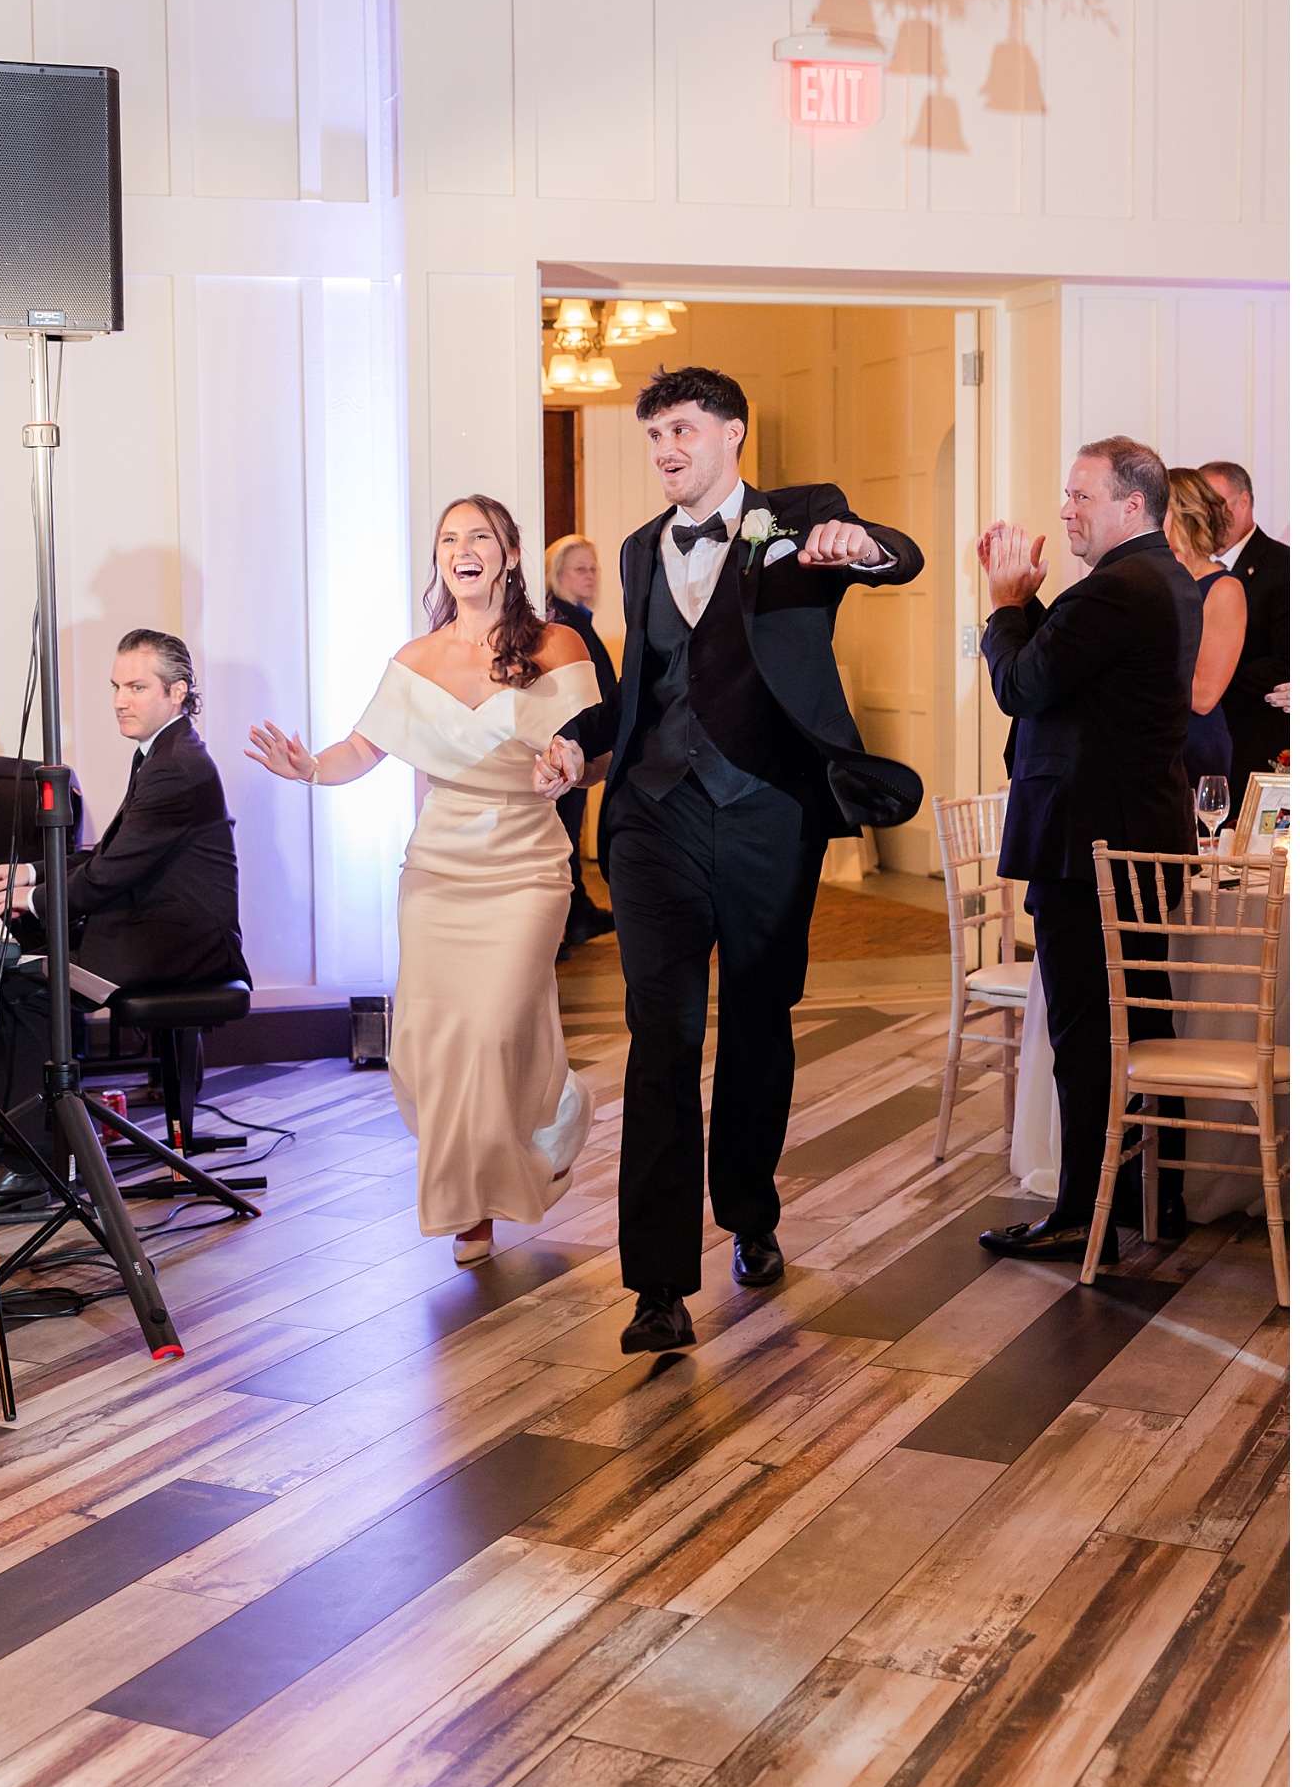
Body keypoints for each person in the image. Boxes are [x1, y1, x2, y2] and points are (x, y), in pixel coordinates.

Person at [537, 365, 923, 1354]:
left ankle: (749, 1209)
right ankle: (657, 1285)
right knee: (659, 1038)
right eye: (652, 434)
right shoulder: (633, 552)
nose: (665, 448)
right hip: (652, 822)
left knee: (756, 1020)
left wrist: (861, 547)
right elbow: (641, 688)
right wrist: (582, 741)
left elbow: (898, 557)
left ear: (730, 434)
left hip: (766, 819)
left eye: (680, 429)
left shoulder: (801, 518)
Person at [248, 496, 599, 1265]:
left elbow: (588, 746)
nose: (462, 549)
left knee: (494, 1028)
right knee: (429, 1046)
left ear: (508, 552)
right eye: (448, 539)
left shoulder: (556, 643)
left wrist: (567, 765)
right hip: (439, 871)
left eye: (479, 537)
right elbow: (359, 751)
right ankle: (472, 1200)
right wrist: (308, 768)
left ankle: (536, 1142)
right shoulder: (416, 659)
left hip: (526, 868)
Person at [975, 439, 1202, 1260]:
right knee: (1140, 1023)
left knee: (1089, 1034)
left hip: (1088, 847)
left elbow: (1022, 687)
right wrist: (1031, 612)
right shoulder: (1156, 581)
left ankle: (1083, 1215)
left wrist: (1003, 605)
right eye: (1065, 494)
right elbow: (1068, 678)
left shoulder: (1116, 589)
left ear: (1132, 505)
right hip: (1134, 839)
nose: (1065, 508)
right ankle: (1151, 1202)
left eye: (1080, 496)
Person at [0, 628, 249, 1143]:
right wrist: (27, 875)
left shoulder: (177, 767)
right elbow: (112, 855)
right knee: (23, 958)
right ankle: (30, 1138)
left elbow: (107, 876)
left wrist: (27, 900)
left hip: (179, 945)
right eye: (116, 687)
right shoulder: (162, 752)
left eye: (137, 688)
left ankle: (27, 1159)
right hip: (155, 929)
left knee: (21, 985)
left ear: (178, 692)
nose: (120, 701)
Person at [1199, 460, 1289, 809]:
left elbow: (1284, 664)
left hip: (1254, 742)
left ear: (1244, 502)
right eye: (1200, 507)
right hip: (1200, 748)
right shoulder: (1187, 570)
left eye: (1216, 505)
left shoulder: (1283, 568)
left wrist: (1208, 673)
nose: (1207, 517)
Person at [544, 533, 618, 948]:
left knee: (569, 831)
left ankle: (577, 912)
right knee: (564, 832)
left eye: (594, 568)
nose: (590, 576)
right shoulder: (566, 622)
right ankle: (570, 918)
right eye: (580, 569)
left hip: (581, 742)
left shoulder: (577, 618)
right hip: (569, 740)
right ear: (558, 576)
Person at [1164, 468, 1247, 787]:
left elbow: (1204, 696)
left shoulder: (1223, 588)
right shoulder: (1152, 580)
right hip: (1146, 742)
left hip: (1192, 746)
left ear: (1183, 515)